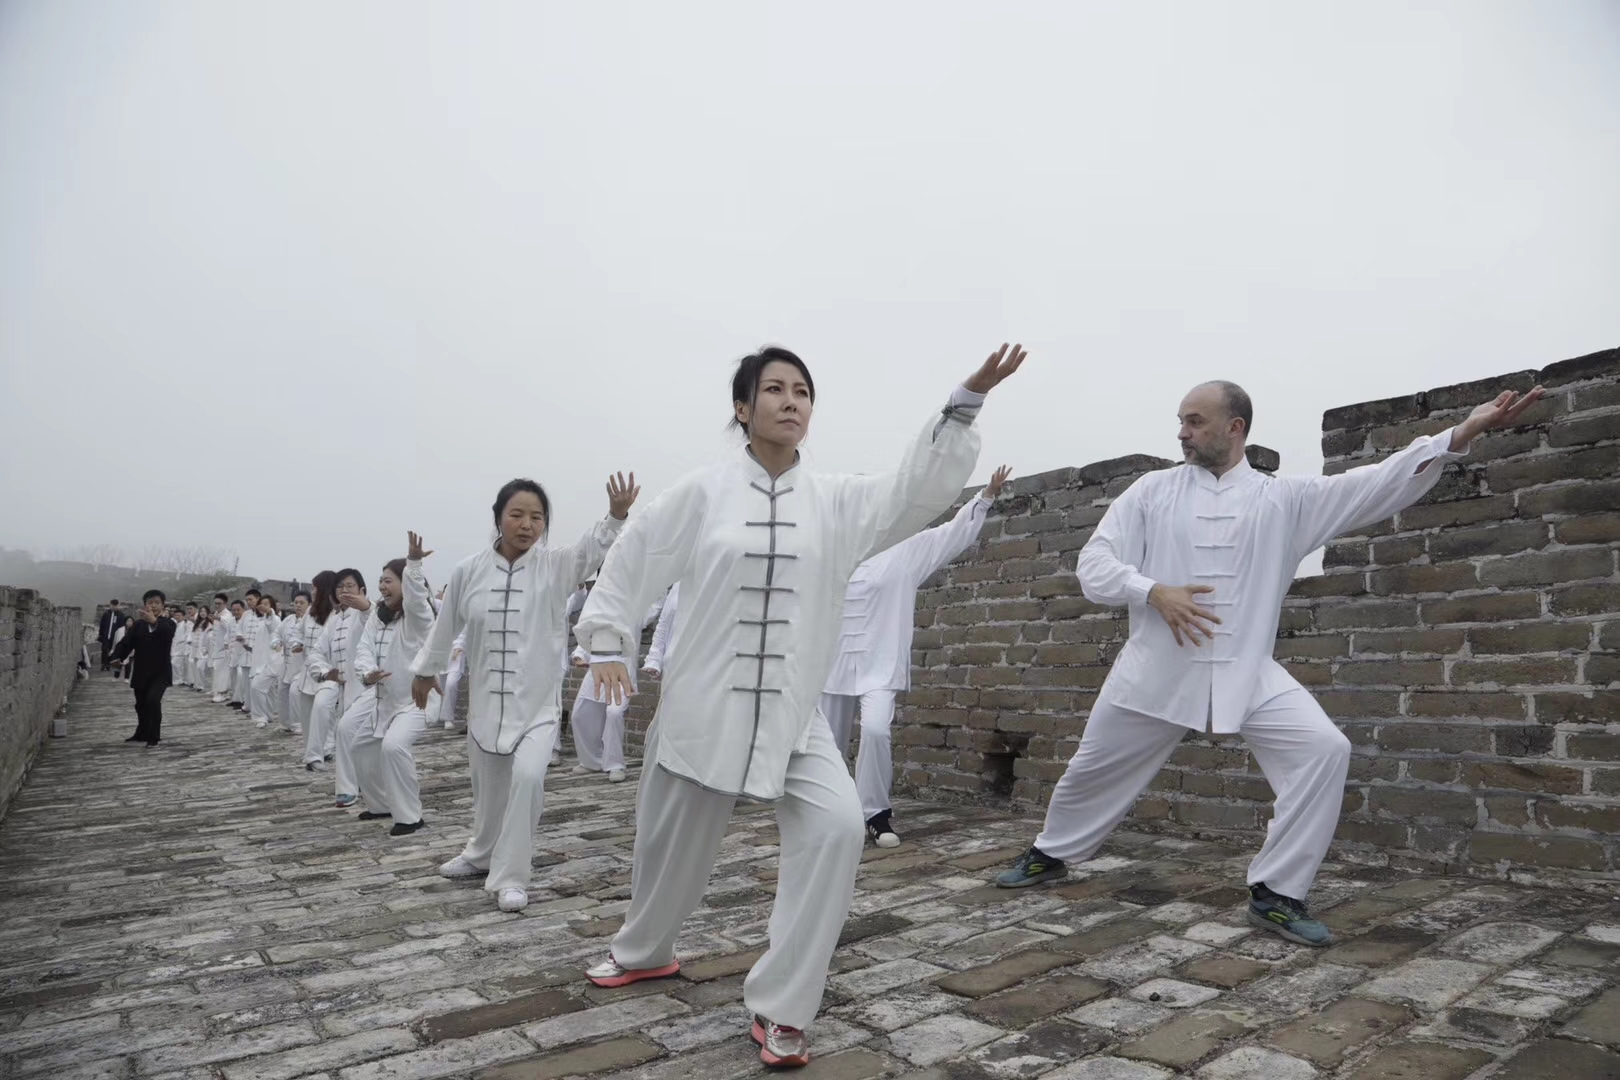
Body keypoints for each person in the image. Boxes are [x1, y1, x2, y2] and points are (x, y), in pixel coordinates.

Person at [576, 343, 1023, 1068]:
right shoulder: (699, 495)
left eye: (803, 392)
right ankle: (644, 950)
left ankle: (783, 1007)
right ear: (742, 408)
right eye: (774, 390)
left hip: (791, 713)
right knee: (669, 849)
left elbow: (914, 490)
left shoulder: (839, 501)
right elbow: (636, 561)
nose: (791, 401)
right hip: (701, 705)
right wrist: (605, 644)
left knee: (839, 829)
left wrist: (964, 401)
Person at [993, 380, 1547, 948]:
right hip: (1154, 668)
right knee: (1093, 769)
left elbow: (1373, 483)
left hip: (1246, 669)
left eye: (1196, 421)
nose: (1183, 432)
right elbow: (1094, 564)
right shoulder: (1150, 492)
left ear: (1236, 429)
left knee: (1324, 750)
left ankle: (1276, 894)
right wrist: (1153, 590)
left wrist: (1460, 432)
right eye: (1181, 421)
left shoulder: (1285, 499)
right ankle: (1049, 854)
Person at [409, 473, 638, 913]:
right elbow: (445, 626)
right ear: (499, 518)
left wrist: (615, 515)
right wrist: (426, 670)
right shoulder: (469, 571)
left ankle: (511, 875)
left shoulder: (555, 568)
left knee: (529, 779)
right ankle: (480, 854)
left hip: (537, 707)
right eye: (517, 514)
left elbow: (592, 550)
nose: (527, 524)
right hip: (486, 705)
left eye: (537, 517)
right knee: (489, 791)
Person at [821, 464, 1011, 848]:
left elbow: (947, 537)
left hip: (878, 663)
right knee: (825, 742)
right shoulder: (826, 553)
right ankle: (825, 812)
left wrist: (984, 499)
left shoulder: (903, 549)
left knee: (875, 729)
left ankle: (874, 813)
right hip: (831, 664)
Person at [339, 538, 439, 836]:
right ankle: (381, 804)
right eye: (380, 581)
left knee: (394, 747)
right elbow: (364, 650)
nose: (383, 586)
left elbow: (418, 599)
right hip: (385, 700)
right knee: (360, 747)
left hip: (416, 701)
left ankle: (410, 817)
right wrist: (367, 673)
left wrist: (414, 564)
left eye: (389, 580)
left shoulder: (418, 617)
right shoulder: (378, 617)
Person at [568, 591, 668, 782]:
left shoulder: (637, 612)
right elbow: (589, 636)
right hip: (596, 671)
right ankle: (591, 761)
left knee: (614, 713)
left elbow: (657, 602)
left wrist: (660, 582)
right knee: (580, 714)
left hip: (622, 673)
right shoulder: (599, 611)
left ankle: (615, 764)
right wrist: (580, 655)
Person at [312, 569, 371, 804]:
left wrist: (365, 606)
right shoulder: (334, 620)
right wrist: (326, 672)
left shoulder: (369, 612)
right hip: (345, 689)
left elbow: (374, 620)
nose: (344, 591)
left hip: (369, 686)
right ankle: (351, 787)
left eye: (350, 586)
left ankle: (362, 785)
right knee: (348, 734)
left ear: (362, 590)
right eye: (340, 587)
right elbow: (317, 650)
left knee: (355, 734)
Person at [109, 589, 177, 746]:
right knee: (140, 704)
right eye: (150, 602)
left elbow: (167, 634)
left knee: (153, 701)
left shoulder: (169, 623)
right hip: (141, 671)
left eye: (157, 603)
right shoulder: (138, 625)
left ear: (163, 605)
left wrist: (154, 621)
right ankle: (141, 733)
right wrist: (116, 658)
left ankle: (154, 736)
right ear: (145, 604)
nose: (153, 605)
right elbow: (126, 643)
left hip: (160, 673)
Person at [293, 572, 340, 772]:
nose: (312, 591)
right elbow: (299, 632)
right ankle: (312, 750)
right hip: (307, 671)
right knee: (306, 714)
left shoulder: (337, 614)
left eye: (315, 587)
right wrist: (297, 643)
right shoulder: (310, 611)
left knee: (325, 712)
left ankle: (323, 751)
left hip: (328, 671)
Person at [248, 595, 285, 729]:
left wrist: (269, 612)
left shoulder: (275, 619)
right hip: (260, 661)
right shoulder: (260, 621)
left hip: (271, 662)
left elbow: (272, 624)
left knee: (256, 687)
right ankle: (268, 715)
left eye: (266, 604)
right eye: (261, 603)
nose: (263, 606)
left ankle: (260, 717)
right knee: (268, 691)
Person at [279, 591, 311, 740]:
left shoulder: (310, 620)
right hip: (286, 663)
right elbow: (277, 634)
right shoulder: (288, 620)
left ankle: (299, 724)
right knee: (282, 691)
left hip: (302, 665)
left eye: (301, 603)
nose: (298, 605)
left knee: (294, 691)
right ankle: (285, 722)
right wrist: (276, 641)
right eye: (296, 602)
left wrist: (302, 646)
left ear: (309, 604)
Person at [209, 594, 235, 703]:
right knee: (217, 669)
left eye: (219, 603)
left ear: (225, 603)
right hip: (216, 647)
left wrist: (219, 618)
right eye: (215, 603)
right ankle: (218, 691)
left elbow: (229, 626)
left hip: (224, 648)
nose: (217, 605)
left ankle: (222, 692)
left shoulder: (227, 615)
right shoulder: (216, 614)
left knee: (222, 671)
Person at [97, 600, 122, 672]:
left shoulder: (120, 615)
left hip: (114, 637)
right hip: (105, 636)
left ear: (118, 606)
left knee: (112, 651)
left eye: (115, 605)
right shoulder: (106, 614)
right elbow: (102, 625)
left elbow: (121, 627)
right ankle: (103, 664)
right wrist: (101, 634)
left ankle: (108, 664)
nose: (114, 607)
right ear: (110, 605)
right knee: (104, 650)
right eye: (112, 605)